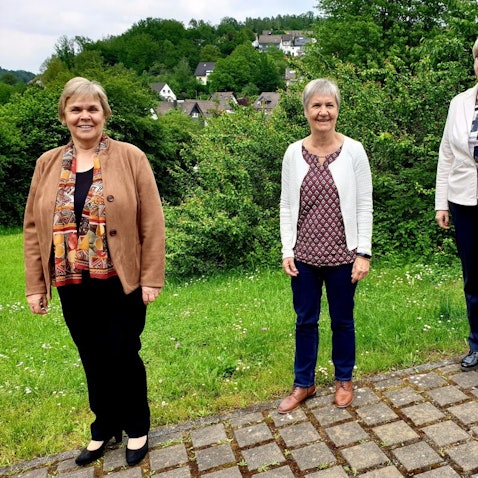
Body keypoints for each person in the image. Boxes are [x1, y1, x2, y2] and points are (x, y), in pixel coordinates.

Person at [23, 77, 165, 466]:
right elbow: (33, 228)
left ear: (104, 114)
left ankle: (137, 426)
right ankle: (104, 426)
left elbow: (152, 221)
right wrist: (36, 285)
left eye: (92, 108)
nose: (84, 116)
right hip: (71, 280)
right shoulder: (47, 163)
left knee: (122, 352)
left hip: (121, 279)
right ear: (64, 116)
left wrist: (151, 278)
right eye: (76, 109)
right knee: (92, 356)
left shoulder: (131, 157)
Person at [278, 78, 373, 413]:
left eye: (329, 105)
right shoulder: (293, 153)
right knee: (305, 321)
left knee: (342, 320)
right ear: (306, 110)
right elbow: (286, 205)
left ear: (337, 109)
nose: (323, 112)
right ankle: (303, 383)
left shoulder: (354, 151)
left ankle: (344, 379)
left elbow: (364, 204)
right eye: (316, 105)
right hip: (303, 256)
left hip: (343, 255)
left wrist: (363, 253)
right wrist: (287, 250)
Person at [435, 38, 478, 373]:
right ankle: (477, 343)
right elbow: (447, 153)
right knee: (473, 278)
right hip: (464, 200)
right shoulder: (459, 103)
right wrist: (441, 203)